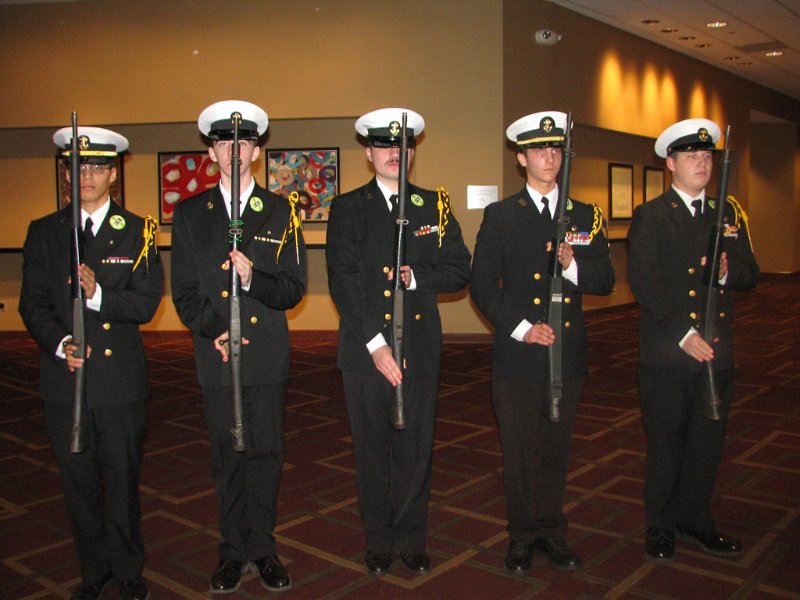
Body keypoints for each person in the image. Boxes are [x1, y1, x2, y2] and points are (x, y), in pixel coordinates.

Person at [326, 108, 471, 576]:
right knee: (371, 451)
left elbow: (459, 268)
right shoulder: (348, 207)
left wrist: (416, 278)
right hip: (365, 353)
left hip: (421, 349)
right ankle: (378, 541)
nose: (395, 153)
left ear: (412, 153)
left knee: (415, 450)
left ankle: (411, 539)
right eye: (385, 146)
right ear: (369, 153)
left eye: (404, 146)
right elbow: (343, 281)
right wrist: (377, 344)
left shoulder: (436, 206)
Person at [20, 126, 162, 600]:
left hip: (119, 382)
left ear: (114, 175)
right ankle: (93, 571)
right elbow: (33, 304)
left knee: (122, 482)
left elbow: (145, 304)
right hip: (67, 380)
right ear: (66, 174)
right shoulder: (45, 232)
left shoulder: (138, 229)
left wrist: (99, 294)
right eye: (77, 167)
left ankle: (127, 570)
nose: (87, 176)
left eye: (98, 167)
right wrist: (60, 342)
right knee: (78, 481)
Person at [470, 111, 614, 575]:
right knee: (517, 450)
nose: (548, 157)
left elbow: (607, 280)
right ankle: (520, 534)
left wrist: (573, 265)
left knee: (556, 449)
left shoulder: (585, 214)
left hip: (567, 354)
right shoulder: (501, 215)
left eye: (555, 149)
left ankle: (552, 530)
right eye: (539, 150)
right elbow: (483, 286)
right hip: (517, 355)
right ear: (521, 157)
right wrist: (522, 327)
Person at [171, 100, 306, 593]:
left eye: (244, 142)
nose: (234, 150)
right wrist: (215, 329)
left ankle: (264, 549)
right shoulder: (189, 215)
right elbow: (184, 292)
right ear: (212, 151)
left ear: (255, 151)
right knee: (227, 455)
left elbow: (293, 289)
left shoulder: (281, 211)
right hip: (217, 355)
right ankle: (231, 551)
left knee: (267, 453)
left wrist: (254, 278)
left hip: (267, 354)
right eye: (225, 141)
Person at [629, 118, 759, 563]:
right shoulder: (652, 215)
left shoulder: (728, 213)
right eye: (691, 156)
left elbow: (750, 274)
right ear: (671, 163)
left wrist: (725, 270)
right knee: (667, 441)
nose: (701, 163)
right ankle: (661, 525)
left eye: (707, 157)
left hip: (717, 352)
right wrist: (683, 334)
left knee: (708, 441)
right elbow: (645, 283)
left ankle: (697, 519)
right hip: (669, 352)